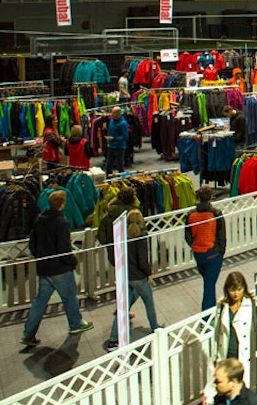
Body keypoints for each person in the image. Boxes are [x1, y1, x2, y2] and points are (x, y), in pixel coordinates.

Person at [21, 190, 93, 346]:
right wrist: (72, 261)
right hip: (60, 269)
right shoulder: (61, 222)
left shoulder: (40, 219)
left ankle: (28, 333)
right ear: (62, 205)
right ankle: (76, 324)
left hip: (44, 268)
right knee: (70, 297)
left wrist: (40, 257)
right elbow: (63, 248)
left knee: (40, 301)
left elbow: (32, 243)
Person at [102, 191, 159, 349]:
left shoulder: (121, 237)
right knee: (149, 304)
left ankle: (114, 338)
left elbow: (114, 257)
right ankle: (155, 328)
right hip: (139, 278)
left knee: (123, 308)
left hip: (125, 276)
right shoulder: (140, 238)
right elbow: (142, 261)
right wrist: (148, 274)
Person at [209, 272, 257, 390]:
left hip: (243, 355)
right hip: (226, 355)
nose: (236, 294)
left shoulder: (251, 304)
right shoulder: (222, 305)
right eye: (232, 290)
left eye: (239, 289)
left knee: (242, 389)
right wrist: (215, 356)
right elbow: (217, 332)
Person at [186, 187, 228, 312]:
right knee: (209, 285)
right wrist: (221, 251)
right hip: (213, 253)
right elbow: (222, 235)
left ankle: (211, 311)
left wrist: (195, 246)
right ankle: (207, 317)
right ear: (211, 197)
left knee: (208, 283)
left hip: (198, 253)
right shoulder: (216, 214)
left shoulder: (190, 215)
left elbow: (187, 236)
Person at [102, 106, 129, 176]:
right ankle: (109, 180)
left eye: (113, 113)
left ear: (118, 113)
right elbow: (110, 132)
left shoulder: (123, 123)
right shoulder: (111, 121)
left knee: (120, 166)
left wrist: (114, 138)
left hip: (119, 147)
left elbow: (125, 137)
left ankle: (122, 181)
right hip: (111, 146)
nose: (111, 114)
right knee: (108, 165)